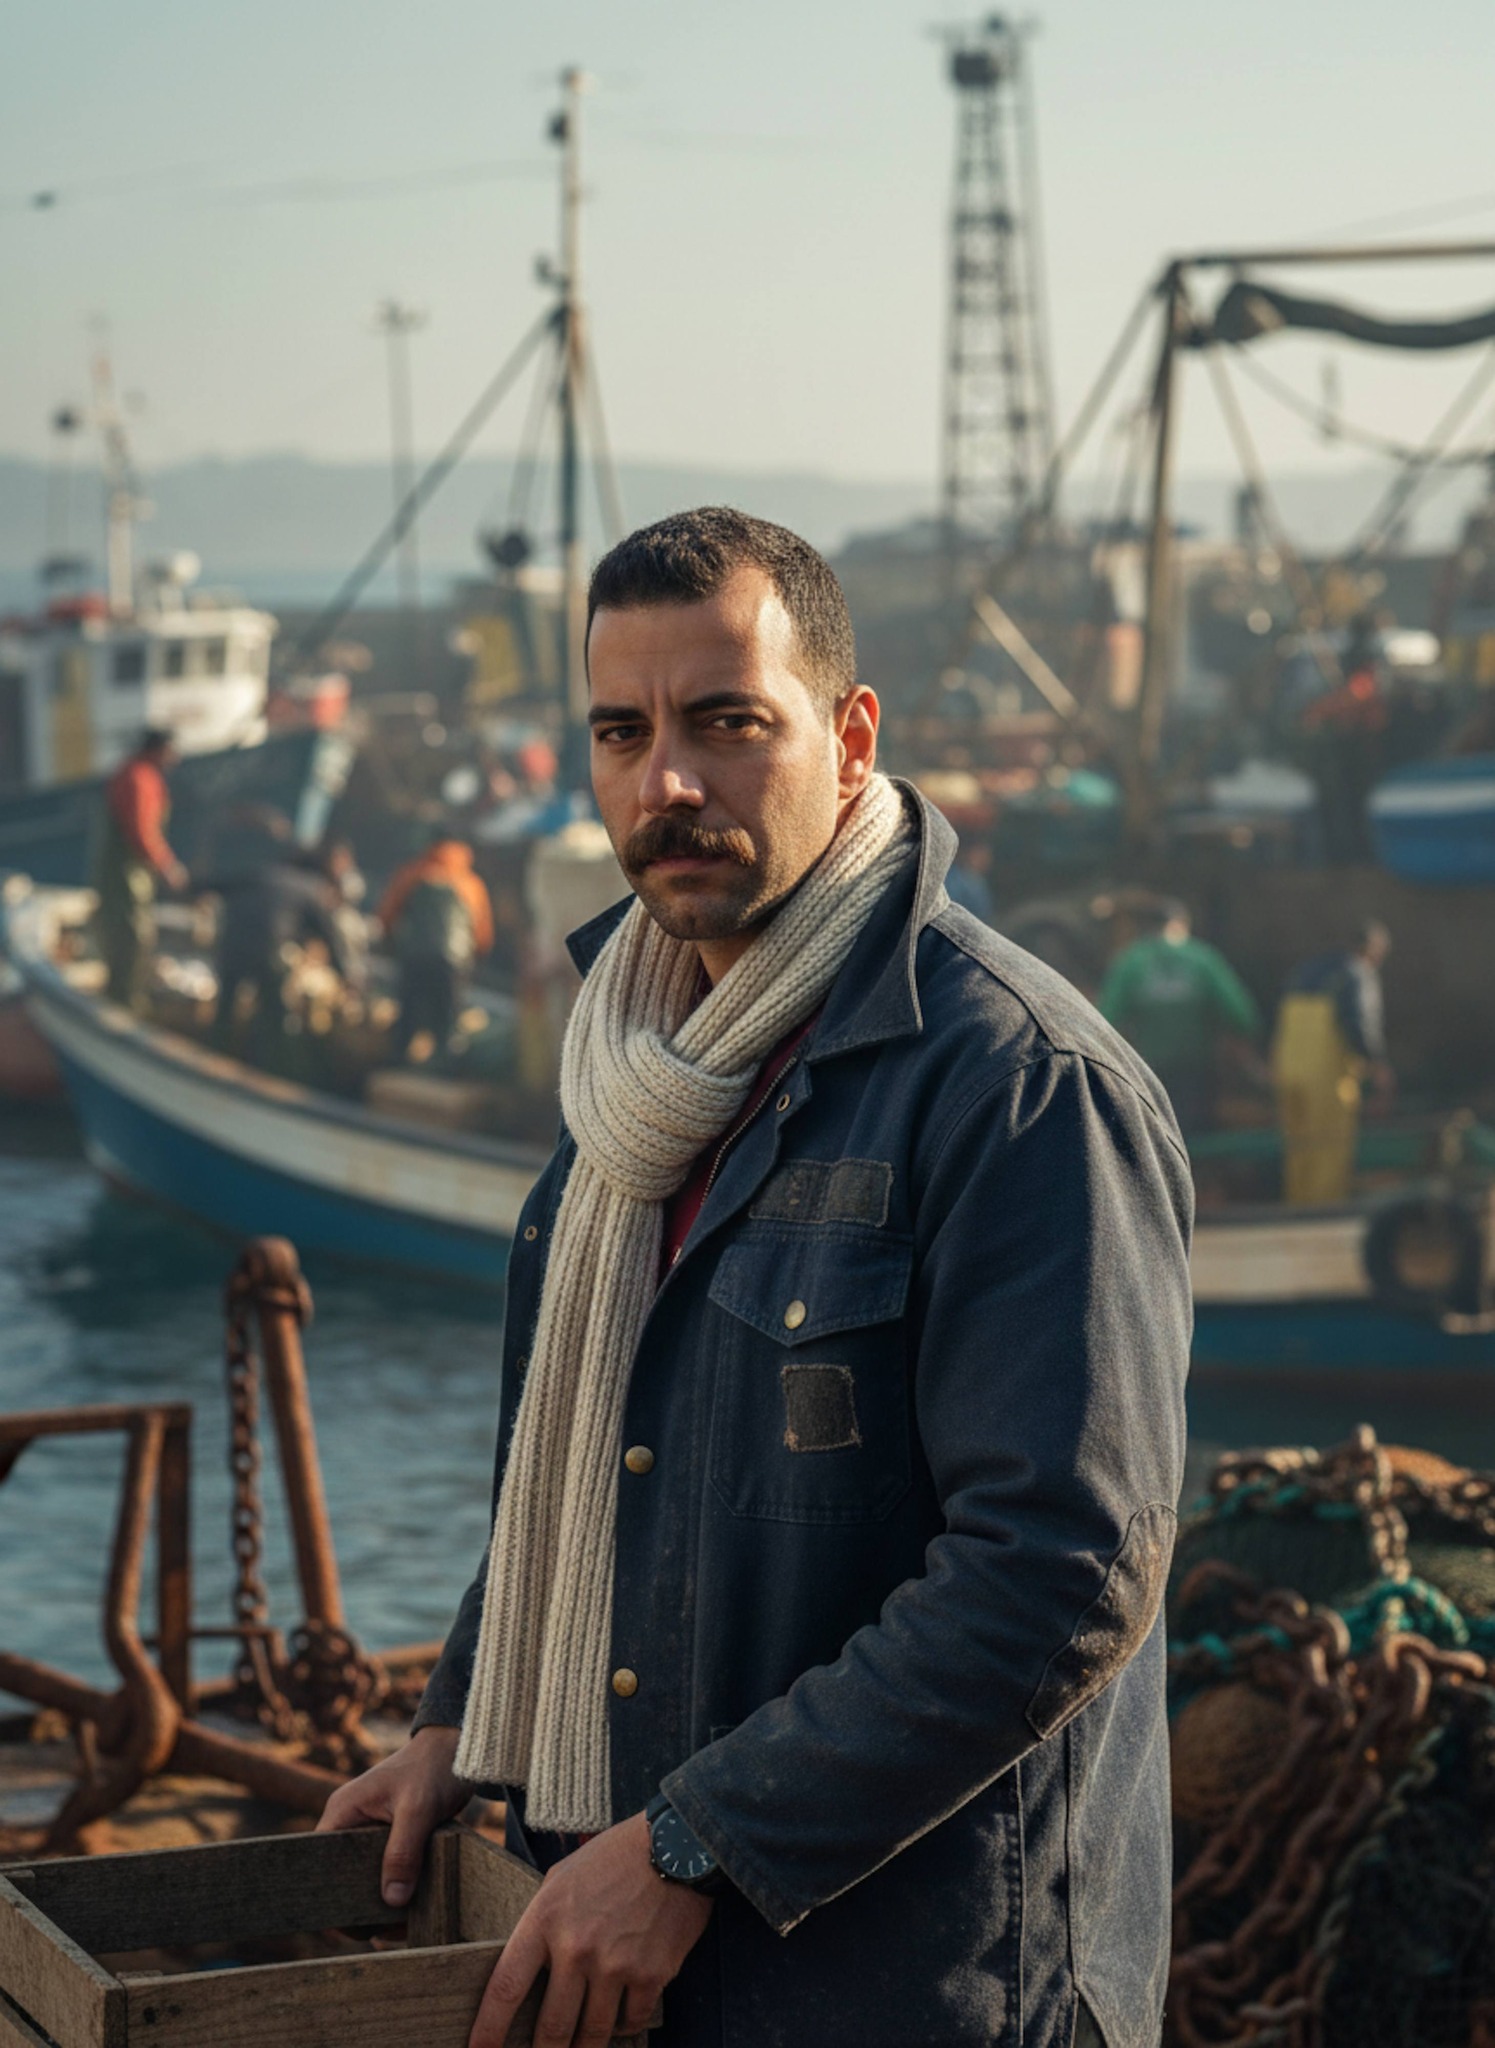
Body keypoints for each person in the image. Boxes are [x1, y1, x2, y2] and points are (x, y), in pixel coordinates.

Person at [319, 507, 1192, 2048]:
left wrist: (697, 1843)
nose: (665, 782)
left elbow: (1061, 1566)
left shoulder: (1014, 1089)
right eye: (621, 732)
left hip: (912, 1996)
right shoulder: (630, 1088)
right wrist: (458, 1721)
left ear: (848, 741)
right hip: (655, 1986)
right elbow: (580, 1480)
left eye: (726, 724)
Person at [1098, 899, 1263, 1134]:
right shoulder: (1203, 958)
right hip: (1198, 1071)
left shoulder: (1131, 962)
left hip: (1148, 1070)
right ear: (1182, 925)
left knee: (1158, 1133)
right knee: (1197, 1136)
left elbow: (1106, 1019)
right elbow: (1241, 1015)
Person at [1272, 918, 1393, 1206]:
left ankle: (1296, 1206)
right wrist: (1377, 1064)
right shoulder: (1357, 973)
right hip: (1326, 1075)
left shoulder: (1304, 971)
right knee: (1330, 1143)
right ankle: (1324, 1208)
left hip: (1288, 1069)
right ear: (1373, 949)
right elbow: (1360, 1023)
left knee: (1299, 1142)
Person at [208, 840, 359, 1063]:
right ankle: (264, 1063)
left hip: (231, 945)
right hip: (266, 952)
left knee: (225, 1007)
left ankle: (215, 1053)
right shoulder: (310, 890)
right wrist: (346, 974)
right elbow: (331, 936)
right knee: (274, 1012)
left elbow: (215, 883)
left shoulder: (263, 874)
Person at [94, 729, 188, 1012]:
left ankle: (126, 999)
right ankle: (124, 1005)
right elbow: (141, 831)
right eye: (171, 752)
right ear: (158, 750)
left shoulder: (135, 774)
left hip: (132, 875)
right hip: (126, 876)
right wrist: (167, 866)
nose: (175, 759)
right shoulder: (139, 778)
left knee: (130, 934)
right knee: (132, 937)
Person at [378, 839, 495, 1061]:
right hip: (453, 963)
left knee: (407, 1016)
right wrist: (474, 962)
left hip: (414, 958)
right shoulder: (471, 884)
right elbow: (483, 935)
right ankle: (443, 1066)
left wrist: (390, 945)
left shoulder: (414, 873)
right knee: (447, 1022)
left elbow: (386, 916)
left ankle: (396, 1061)